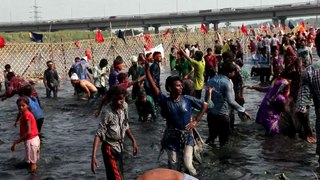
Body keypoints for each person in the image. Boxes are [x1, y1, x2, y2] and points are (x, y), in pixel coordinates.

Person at [145, 61, 208, 176]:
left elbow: (205, 105)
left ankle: (194, 178)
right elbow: (154, 86)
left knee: (188, 164)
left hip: (187, 136)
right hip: (171, 137)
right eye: (178, 85)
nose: (181, 87)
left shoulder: (187, 99)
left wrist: (196, 121)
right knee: (174, 166)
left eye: (181, 85)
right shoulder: (165, 101)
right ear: (170, 88)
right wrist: (147, 70)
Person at [91, 85, 138, 179]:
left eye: (123, 99)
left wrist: (133, 140)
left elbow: (125, 125)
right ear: (113, 98)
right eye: (118, 99)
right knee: (118, 177)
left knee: (116, 175)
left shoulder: (124, 106)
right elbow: (99, 133)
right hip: (109, 147)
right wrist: (94, 156)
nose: (121, 101)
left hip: (119, 146)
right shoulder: (107, 112)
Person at [205, 62, 250, 146]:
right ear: (229, 73)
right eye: (234, 72)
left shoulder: (210, 81)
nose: (234, 74)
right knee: (224, 142)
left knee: (212, 138)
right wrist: (243, 110)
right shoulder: (227, 82)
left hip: (211, 115)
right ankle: (223, 158)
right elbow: (230, 101)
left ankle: (210, 157)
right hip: (222, 116)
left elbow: (206, 99)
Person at [11, 97, 40, 173]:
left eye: (22, 105)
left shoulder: (26, 115)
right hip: (34, 139)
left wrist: (16, 142)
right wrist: (17, 121)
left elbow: (28, 132)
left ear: (27, 105)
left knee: (32, 164)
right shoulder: (26, 113)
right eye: (19, 106)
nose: (20, 107)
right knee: (33, 161)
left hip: (31, 141)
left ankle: (33, 177)